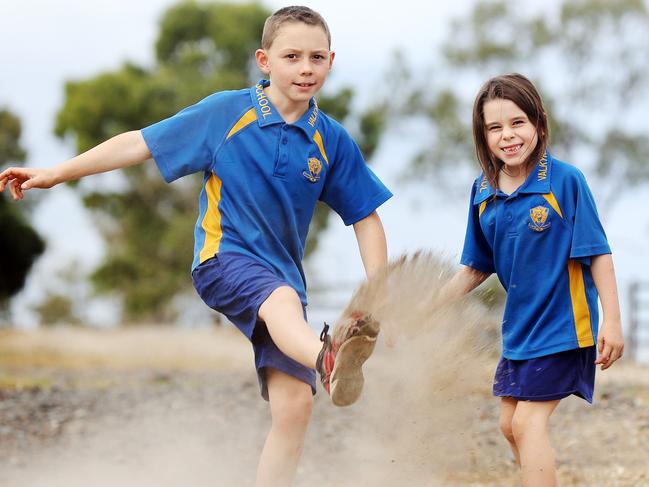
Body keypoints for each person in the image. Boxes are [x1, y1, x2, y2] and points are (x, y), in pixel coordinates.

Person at [0, 6, 391, 486]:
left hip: (282, 286)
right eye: (292, 56)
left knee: (295, 409)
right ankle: (329, 359)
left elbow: (365, 218)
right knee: (284, 302)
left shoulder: (330, 141)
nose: (306, 68)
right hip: (222, 262)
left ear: (331, 61)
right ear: (264, 61)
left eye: (316, 58)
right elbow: (140, 144)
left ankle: (316, 380)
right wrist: (56, 172)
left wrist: (378, 291)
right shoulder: (227, 113)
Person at [435, 73, 624, 486]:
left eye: (518, 122)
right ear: (482, 136)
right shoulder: (483, 191)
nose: (508, 136)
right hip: (519, 332)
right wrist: (428, 307)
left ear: (539, 123)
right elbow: (474, 267)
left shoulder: (565, 182)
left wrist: (612, 320)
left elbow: (598, 254)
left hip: (563, 328)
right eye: (495, 127)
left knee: (527, 425)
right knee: (509, 425)